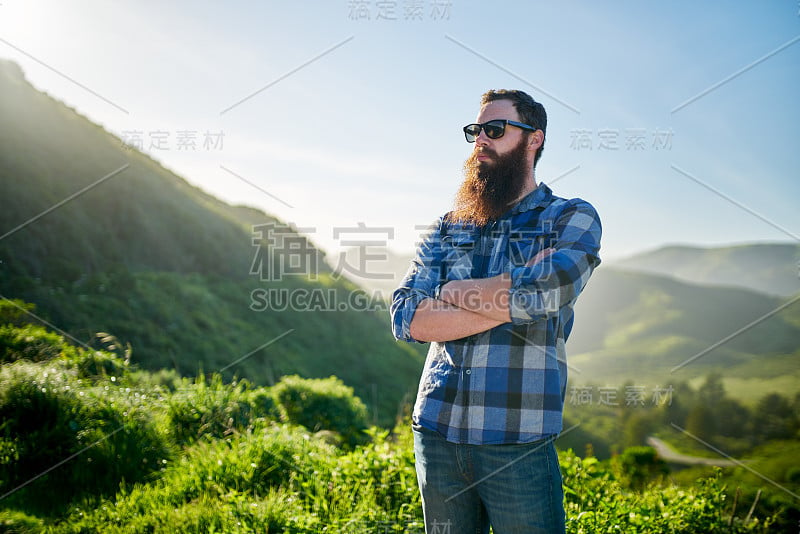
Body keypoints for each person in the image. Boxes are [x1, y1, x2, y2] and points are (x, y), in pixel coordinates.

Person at [390, 89, 602, 533]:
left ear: (533, 140)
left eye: (494, 130)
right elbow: (407, 315)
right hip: (436, 431)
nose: (480, 141)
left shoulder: (569, 218)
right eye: (475, 131)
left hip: (517, 441)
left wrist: (447, 293)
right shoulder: (450, 225)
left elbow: (549, 289)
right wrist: (514, 295)